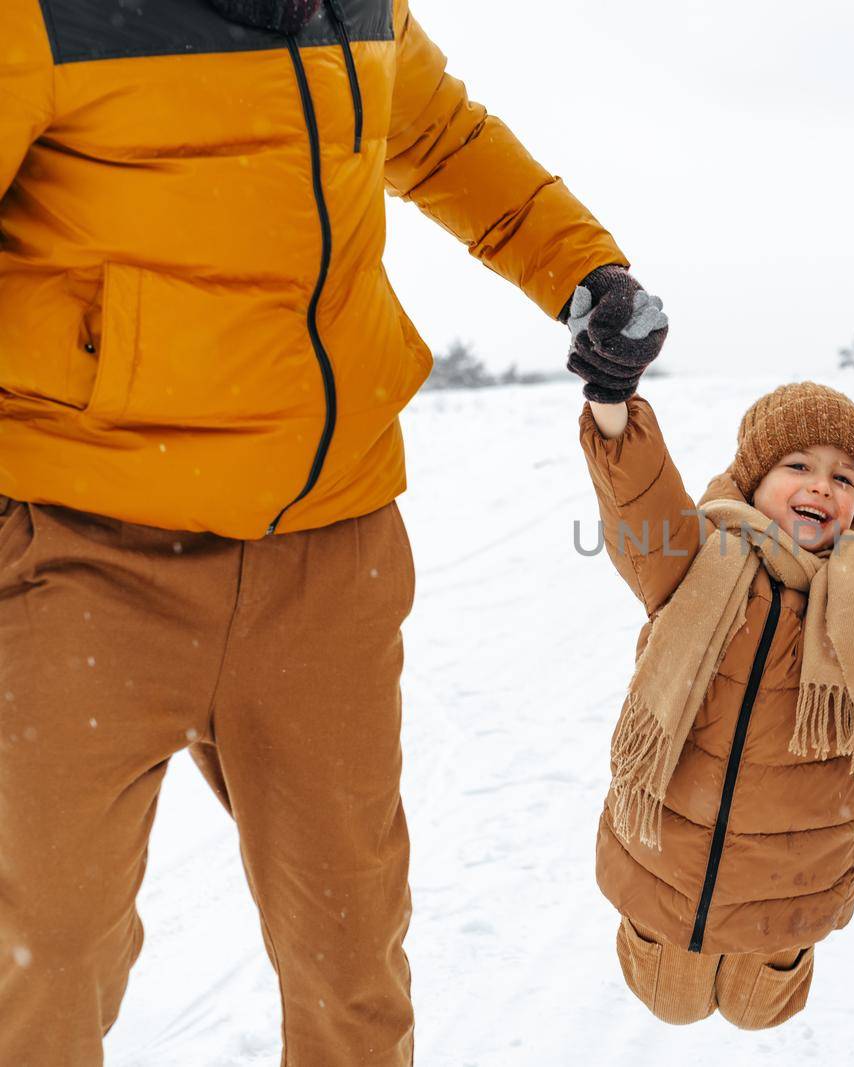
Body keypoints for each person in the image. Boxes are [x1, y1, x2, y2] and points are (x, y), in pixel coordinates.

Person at [0, 1, 665, 1062]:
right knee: (45, 948)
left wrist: (583, 269)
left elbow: (440, 136)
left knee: (349, 953)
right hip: (85, 549)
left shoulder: (360, 6)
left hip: (328, 551)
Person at [576, 366, 854, 1028]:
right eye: (798, 463)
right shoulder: (688, 558)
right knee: (667, 1000)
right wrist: (613, 399)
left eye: (843, 478)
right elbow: (636, 501)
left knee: (761, 1011)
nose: (821, 484)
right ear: (751, 481)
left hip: (787, 887)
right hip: (663, 863)